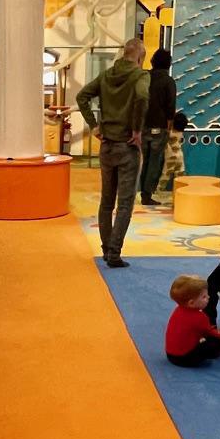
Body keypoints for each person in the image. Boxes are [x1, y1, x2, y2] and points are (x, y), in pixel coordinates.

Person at [75, 38, 151, 268]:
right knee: (125, 204)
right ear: (140, 56)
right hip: (127, 146)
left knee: (106, 201)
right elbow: (142, 96)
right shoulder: (140, 76)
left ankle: (106, 249)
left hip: (106, 145)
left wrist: (94, 126)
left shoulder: (106, 75)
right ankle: (115, 253)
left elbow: (82, 97)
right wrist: (137, 129)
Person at [164, 274, 220, 367]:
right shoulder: (200, 317)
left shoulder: (177, 310)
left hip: (171, 355)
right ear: (191, 303)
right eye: (204, 297)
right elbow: (210, 333)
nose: (208, 297)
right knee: (216, 342)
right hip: (185, 358)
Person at [140, 46, 177, 208]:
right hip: (159, 126)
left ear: (152, 61)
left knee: (145, 160)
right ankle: (147, 194)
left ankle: (143, 192)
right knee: (155, 161)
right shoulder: (168, 82)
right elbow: (170, 107)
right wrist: (169, 128)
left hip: (142, 125)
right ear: (168, 64)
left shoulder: (144, 77)